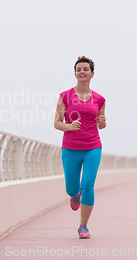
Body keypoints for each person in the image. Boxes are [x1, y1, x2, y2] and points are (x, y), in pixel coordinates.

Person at [54, 56, 106, 239]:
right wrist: (70, 126)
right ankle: (75, 195)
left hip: (93, 146)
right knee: (72, 188)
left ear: (92, 74)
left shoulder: (100, 99)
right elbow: (57, 123)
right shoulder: (65, 96)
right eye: (78, 69)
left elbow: (101, 124)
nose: (82, 71)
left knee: (88, 184)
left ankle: (83, 226)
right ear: (75, 73)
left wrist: (102, 122)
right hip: (70, 147)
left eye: (85, 69)